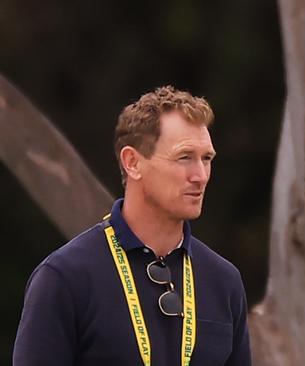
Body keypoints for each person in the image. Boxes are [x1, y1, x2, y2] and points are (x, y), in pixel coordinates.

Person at [13, 86, 251, 365]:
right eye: (184, 157)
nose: (200, 176)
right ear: (132, 162)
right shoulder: (65, 278)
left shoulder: (224, 281)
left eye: (206, 159)